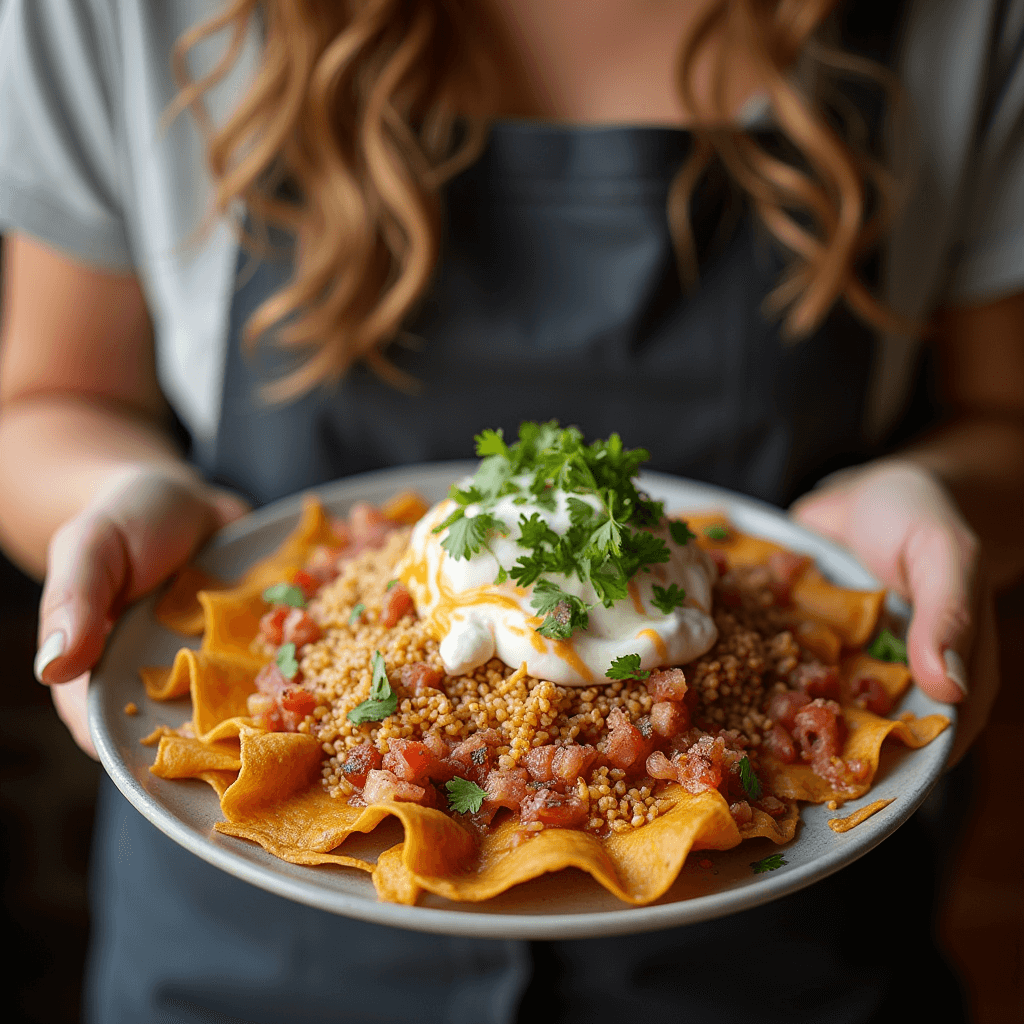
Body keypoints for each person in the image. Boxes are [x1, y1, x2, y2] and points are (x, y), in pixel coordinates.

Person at [0, 0, 1021, 1021]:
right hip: (242, 956)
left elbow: (1001, 414)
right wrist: (106, 504)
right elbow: (53, 398)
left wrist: (943, 501)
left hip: (782, 967)